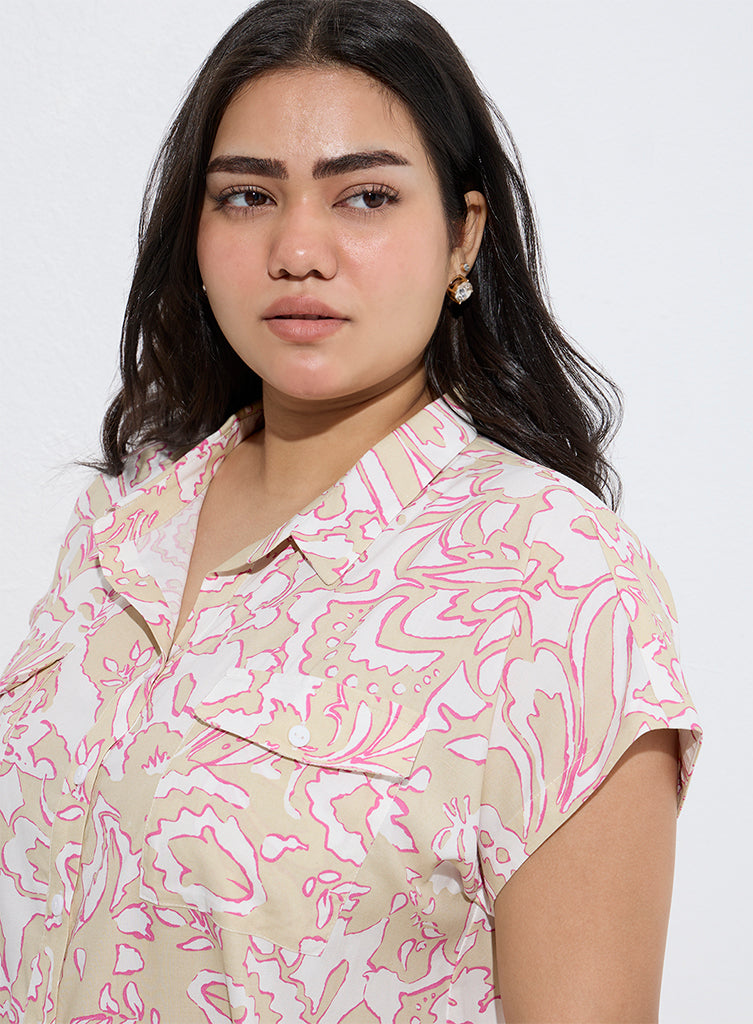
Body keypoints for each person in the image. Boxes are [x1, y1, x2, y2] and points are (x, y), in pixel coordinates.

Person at [0, 0, 701, 1020]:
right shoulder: (122, 520)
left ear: (464, 235)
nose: (298, 249)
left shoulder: (558, 586)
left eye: (366, 196)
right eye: (247, 196)